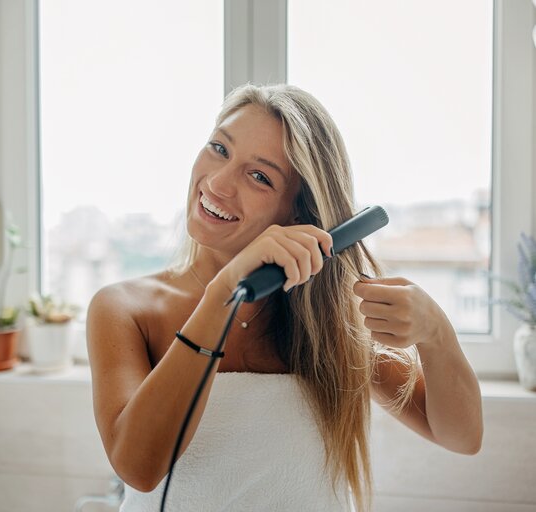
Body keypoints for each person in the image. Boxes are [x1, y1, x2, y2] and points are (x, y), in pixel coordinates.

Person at [86, 83, 483, 512]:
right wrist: (223, 293)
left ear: (297, 213)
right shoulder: (124, 309)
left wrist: (438, 335)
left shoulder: (330, 326)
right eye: (219, 148)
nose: (218, 183)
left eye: (259, 176)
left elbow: (462, 437)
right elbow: (138, 467)